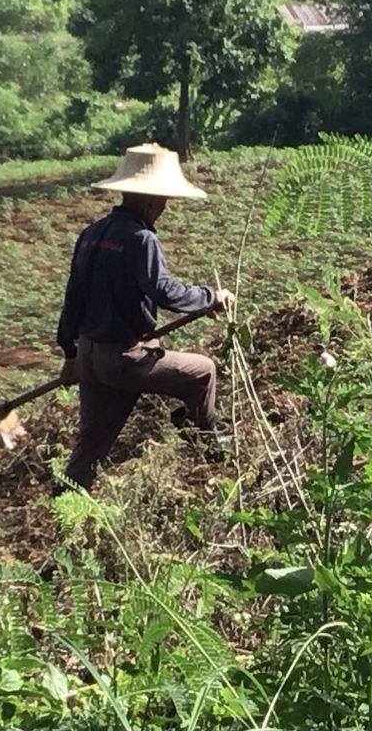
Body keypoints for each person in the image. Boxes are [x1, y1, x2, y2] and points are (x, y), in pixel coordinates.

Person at [55, 143, 235, 491]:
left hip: (90, 357)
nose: (164, 208)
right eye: (164, 200)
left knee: (91, 445)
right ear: (151, 201)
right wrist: (211, 297)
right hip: (125, 359)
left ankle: (64, 501)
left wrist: (71, 355)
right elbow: (164, 291)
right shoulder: (141, 239)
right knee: (204, 372)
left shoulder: (91, 234)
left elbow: (72, 297)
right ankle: (210, 449)